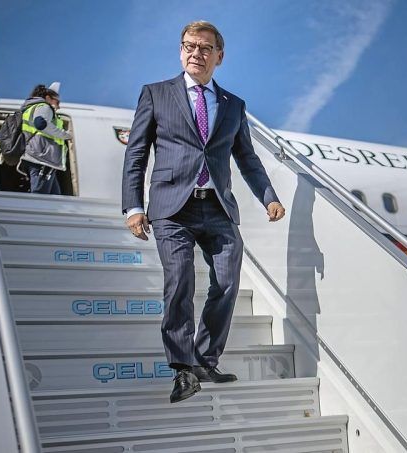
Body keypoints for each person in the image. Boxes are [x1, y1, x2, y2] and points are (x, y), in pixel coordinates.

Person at [122, 21, 285, 403]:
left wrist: (269, 197)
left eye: (205, 48)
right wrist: (134, 206)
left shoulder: (233, 105)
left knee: (227, 282)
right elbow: (137, 153)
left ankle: (204, 361)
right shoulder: (156, 94)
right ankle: (182, 369)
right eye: (189, 46)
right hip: (171, 207)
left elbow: (247, 158)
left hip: (217, 207)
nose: (196, 53)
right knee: (180, 281)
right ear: (181, 51)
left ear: (219, 56)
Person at [17, 82, 71, 194]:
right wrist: (66, 135)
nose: (58, 106)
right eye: (57, 102)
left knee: (55, 197)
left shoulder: (31, 108)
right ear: (48, 98)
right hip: (41, 158)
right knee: (40, 196)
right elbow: (40, 123)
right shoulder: (44, 107)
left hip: (38, 157)